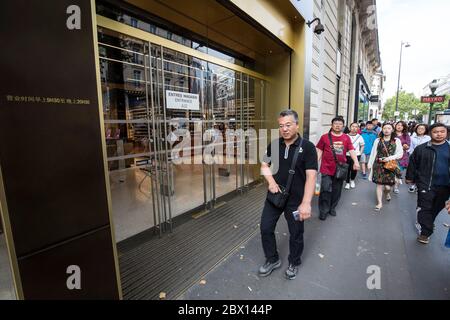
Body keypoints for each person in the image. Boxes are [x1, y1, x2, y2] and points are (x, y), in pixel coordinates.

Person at [259, 110, 318, 279]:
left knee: (296, 233)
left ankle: (294, 261)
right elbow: (264, 165)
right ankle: (272, 259)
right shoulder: (275, 144)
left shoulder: (307, 147)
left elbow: (311, 176)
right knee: (265, 228)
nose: (284, 129)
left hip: (296, 201)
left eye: (288, 125)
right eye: (281, 126)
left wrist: (306, 202)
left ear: (297, 125)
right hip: (275, 196)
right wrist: (271, 182)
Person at [406, 123, 450, 244]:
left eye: (442, 131)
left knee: (436, 208)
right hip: (425, 184)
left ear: (446, 133)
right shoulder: (421, 148)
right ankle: (425, 233)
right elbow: (413, 163)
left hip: (445, 186)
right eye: (436, 132)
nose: (439, 134)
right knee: (424, 208)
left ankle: (429, 223)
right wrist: (410, 177)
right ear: (430, 133)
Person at [316, 117, 359, 220]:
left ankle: (332, 208)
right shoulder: (324, 137)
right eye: (335, 123)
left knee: (337, 190)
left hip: (340, 169)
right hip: (326, 167)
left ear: (343, 126)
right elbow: (319, 151)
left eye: (340, 124)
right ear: (331, 125)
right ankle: (323, 210)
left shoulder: (346, 138)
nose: (337, 125)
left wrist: (356, 162)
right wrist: (314, 165)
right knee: (325, 189)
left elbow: (352, 150)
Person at [367, 123, 403, 211]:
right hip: (378, 164)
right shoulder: (377, 140)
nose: (386, 130)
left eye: (389, 128)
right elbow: (373, 153)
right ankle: (379, 203)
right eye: (385, 128)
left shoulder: (396, 140)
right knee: (379, 185)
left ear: (392, 130)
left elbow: (400, 154)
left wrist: (389, 158)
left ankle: (387, 193)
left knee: (387, 187)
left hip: (390, 165)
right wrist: (370, 163)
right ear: (382, 130)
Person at [408, 124, 431, 193]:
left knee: (423, 171)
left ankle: (421, 185)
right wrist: (411, 155)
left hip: (426, 157)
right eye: (419, 128)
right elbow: (411, 148)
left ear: (425, 130)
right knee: (415, 171)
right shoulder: (412, 138)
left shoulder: (428, 138)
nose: (420, 130)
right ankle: (413, 185)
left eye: (422, 129)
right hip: (415, 157)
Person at [345, 122, 365, 189]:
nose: (354, 128)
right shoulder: (345, 136)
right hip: (347, 155)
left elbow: (362, 145)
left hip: (356, 155)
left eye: (356, 127)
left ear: (358, 128)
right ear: (350, 127)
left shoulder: (359, 136)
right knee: (347, 169)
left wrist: (360, 153)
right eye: (353, 126)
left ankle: (352, 180)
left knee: (354, 169)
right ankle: (347, 182)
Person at [393, 121, 411, 194]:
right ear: (395, 126)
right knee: (390, 172)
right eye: (398, 125)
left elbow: (408, 145)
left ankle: (396, 187)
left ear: (404, 127)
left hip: (402, 157)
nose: (399, 126)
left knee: (398, 172)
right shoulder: (392, 134)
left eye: (401, 125)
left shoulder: (406, 135)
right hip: (392, 156)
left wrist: (405, 146)